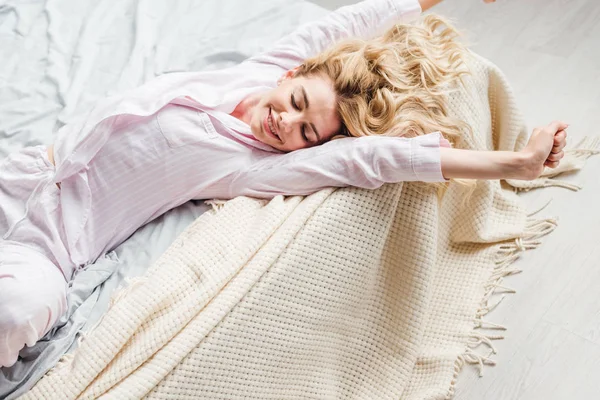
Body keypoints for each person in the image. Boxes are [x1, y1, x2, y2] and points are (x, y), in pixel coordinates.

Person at [0, 0, 566, 368]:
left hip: (51, 246)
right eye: (295, 104)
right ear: (291, 75)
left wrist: (511, 165)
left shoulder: (252, 165)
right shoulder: (259, 72)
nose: (284, 123)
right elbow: (343, 24)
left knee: (22, 305)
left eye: (305, 132)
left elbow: (370, 161)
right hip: (23, 174)